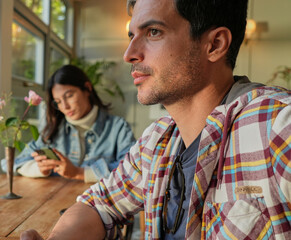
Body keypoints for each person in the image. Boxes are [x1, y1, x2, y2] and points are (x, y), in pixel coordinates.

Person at [20, 0, 291, 239]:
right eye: (131, 35)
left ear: (215, 44)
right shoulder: (157, 141)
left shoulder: (276, 126)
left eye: (153, 32)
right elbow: (98, 205)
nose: (129, 54)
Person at [2, 64, 136, 183]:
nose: (64, 106)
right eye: (58, 101)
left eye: (69, 96)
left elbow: (132, 169)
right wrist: (41, 170)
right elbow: (11, 163)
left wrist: (79, 173)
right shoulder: (52, 131)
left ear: (87, 88)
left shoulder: (118, 128)